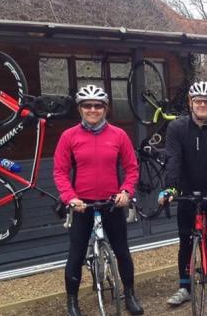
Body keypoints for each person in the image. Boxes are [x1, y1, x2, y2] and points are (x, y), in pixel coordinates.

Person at [53, 85, 143, 316]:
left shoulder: (119, 135)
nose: (93, 109)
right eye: (87, 105)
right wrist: (70, 198)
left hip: (112, 202)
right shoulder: (69, 137)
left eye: (98, 105)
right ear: (80, 108)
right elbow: (60, 172)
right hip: (81, 204)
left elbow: (131, 168)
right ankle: (72, 302)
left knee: (122, 250)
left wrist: (126, 191)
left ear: (105, 108)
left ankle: (130, 294)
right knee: (76, 253)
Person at [158, 81, 207, 306]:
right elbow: (173, 159)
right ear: (190, 102)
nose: (202, 104)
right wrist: (171, 187)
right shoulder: (177, 128)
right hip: (187, 193)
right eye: (198, 101)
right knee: (185, 242)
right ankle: (184, 287)